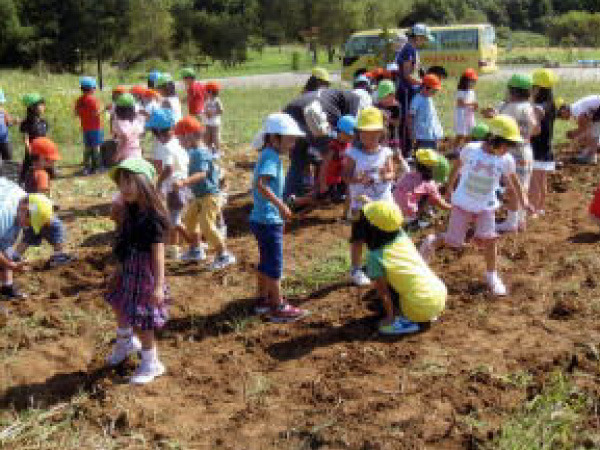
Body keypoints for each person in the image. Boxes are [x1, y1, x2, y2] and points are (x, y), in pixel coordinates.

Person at [420, 115, 533, 296]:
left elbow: (515, 181)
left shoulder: (506, 160)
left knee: (490, 240)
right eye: (507, 144)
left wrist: (524, 201)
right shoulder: (471, 150)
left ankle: (492, 276)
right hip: (462, 203)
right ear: (495, 139)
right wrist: (449, 188)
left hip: (486, 207)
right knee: (453, 241)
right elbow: (456, 167)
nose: (509, 149)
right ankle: (430, 242)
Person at [104, 158, 170, 384]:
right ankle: (125, 342)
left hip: (145, 273)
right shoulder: (130, 211)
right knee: (119, 303)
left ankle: (152, 362)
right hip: (129, 267)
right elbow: (124, 244)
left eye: (130, 182)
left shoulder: (153, 218)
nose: (124, 188)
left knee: (142, 318)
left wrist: (158, 285)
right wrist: (118, 270)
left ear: (144, 183)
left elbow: (158, 255)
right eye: (121, 183)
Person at [355, 200, 446, 335]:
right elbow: (389, 221)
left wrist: (389, 318)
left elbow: (383, 292)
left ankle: (406, 321)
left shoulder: (375, 256)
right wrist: (376, 207)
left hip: (420, 305)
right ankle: (426, 313)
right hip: (439, 295)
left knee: (382, 322)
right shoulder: (401, 236)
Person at [249, 113, 308, 322]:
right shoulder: (271, 158)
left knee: (266, 260)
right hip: (268, 219)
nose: (292, 144)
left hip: (261, 218)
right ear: (274, 138)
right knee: (274, 264)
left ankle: (262, 299)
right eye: (290, 139)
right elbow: (262, 185)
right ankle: (278, 306)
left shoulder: (267, 154)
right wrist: (281, 205)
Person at [174, 116, 236, 269]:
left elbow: (202, 174)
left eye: (180, 138)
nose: (179, 143)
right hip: (200, 196)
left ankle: (223, 255)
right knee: (189, 219)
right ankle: (196, 249)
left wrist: (184, 182)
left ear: (189, 135)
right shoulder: (196, 152)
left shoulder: (199, 153)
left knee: (206, 225)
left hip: (210, 195)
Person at [343, 107, 394, 286]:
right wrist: (357, 179)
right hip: (360, 204)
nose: (369, 139)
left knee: (382, 236)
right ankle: (356, 269)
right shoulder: (353, 153)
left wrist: (382, 176)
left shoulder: (386, 152)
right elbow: (346, 177)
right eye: (365, 135)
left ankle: (380, 265)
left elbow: (391, 173)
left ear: (381, 133)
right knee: (358, 237)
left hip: (382, 202)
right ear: (358, 134)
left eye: (374, 135)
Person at [282, 89, 361, 200]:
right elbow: (330, 155)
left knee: (298, 159)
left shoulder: (336, 98)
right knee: (327, 156)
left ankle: (290, 195)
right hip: (311, 114)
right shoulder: (350, 106)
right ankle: (319, 189)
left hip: (291, 112)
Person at [484, 74, 539, 232]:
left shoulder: (511, 107)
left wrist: (495, 117)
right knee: (522, 185)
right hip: (525, 150)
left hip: (512, 152)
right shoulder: (528, 107)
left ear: (512, 91)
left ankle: (512, 222)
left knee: (512, 187)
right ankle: (519, 220)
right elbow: (535, 129)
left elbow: (499, 126)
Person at [0, 178, 54, 299]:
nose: (27, 226)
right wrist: (10, 265)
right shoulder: (4, 215)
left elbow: (4, 242)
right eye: (29, 222)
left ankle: (7, 288)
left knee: (7, 237)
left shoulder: (23, 197)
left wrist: (10, 261)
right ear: (24, 209)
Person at [147, 108, 189, 260]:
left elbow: (169, 169)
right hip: (180, 186)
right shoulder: (176, 142)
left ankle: (194, 243)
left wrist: (159, 182)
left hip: (175, 188)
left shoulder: (167, 148)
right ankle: (174, 246)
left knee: (174, 220)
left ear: (157, 132)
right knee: (173, 216)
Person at [395, 23, 435, 157]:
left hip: (412, 89)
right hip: (405, 90)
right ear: (417, 37)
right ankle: (405, 151)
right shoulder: (408, 50)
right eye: (424, 38)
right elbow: (406, 75)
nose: (424, 41)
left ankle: (412, 148)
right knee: (407, 120)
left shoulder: (413, 49)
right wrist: (424, 83)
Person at [393, 149, 451, 229]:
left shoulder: (409, 175)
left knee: (422, 194)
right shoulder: (429, 185)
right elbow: (440, 204)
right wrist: (452, 207)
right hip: (408, 215)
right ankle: (415, 219)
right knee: (429, 197)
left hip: (394, 207)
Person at [530, 69, 558, 216]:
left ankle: (533, 210)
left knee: (534, 182)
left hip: (537, 148)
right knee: (541, 180)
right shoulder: (551, 104)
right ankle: (540, 208)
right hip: (547, 147)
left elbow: (535, 127)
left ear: (538, 88)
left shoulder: (539, 107)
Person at [558, 94, 600, 165]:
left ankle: (590, 156)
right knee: (590, 133)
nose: (561, 118)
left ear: (563, 110)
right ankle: (591, 153)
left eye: (559, 115)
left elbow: (585, 129)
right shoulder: (576, 109)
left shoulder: (576, 110)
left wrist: (574, 133)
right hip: (597, 111)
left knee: (587, 134)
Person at [75, 76, 104, 175]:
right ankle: (97, 167)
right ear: (91, 89)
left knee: (87, 148)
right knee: (96, 148)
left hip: (85, 127)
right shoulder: (93, 100)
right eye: (94, 88)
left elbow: (76, 113)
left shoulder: (79, 100)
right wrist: (104, 109)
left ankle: (86, 167)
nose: (95, 89)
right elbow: (95, 113)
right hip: (96, 128)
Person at [409, 74, 443, 151]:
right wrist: (411, 133)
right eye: (433, 90)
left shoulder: (429, 99)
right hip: (422, 136)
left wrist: (438, 133)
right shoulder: (417, 100)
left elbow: (433, 117)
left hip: (431, 135)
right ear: (425, 88)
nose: (435, 93)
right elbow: (410, 116)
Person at [19, 93, 48, 184]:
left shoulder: (43, 122)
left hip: (42, 150)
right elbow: (26, 138)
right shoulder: (26, 123)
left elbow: (45, 136)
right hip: (32, 151)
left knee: (42, 169)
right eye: (41, 104)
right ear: (32, 108)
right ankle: (23, 183)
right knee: (27, 169)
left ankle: (42, 183)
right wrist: (29, 150)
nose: (43, 107)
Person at [112, 93, 146, 163]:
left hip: (126, 154)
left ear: (118, 109)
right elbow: (141, 133)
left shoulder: (120, 122)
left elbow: (125, 138)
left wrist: (117, 154)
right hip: (137, 151)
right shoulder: (136, 120)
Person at [454, 68, 479, 147]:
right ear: (465, 81)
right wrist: (472, 103)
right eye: (472, 81)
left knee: (470, 133)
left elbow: (473, 104)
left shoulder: (472, 92)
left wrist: (475, 107)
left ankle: (467, 147)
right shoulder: (461, 91)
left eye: (474, 81)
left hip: (469, 115)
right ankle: (455, 148)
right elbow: (460, 103)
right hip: (461, 115)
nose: (473, 83)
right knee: (461, 134)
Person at [203, 82, 223, 154]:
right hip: (208, 122)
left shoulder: (217, 100)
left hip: (215, 122)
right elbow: (204, 109)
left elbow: (221, 110)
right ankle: (209, 149)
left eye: (207, 91)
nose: (205, 92)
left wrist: (212, 113)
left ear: (211, 91)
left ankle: (218, 150)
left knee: (215, 137)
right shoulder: (207, 100)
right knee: (207, 136)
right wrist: (205, 112)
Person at [0, 88, 16, 162]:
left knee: (8, 159)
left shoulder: (3, 112)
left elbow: (8, 122)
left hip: (4, 141)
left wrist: (14, 121)